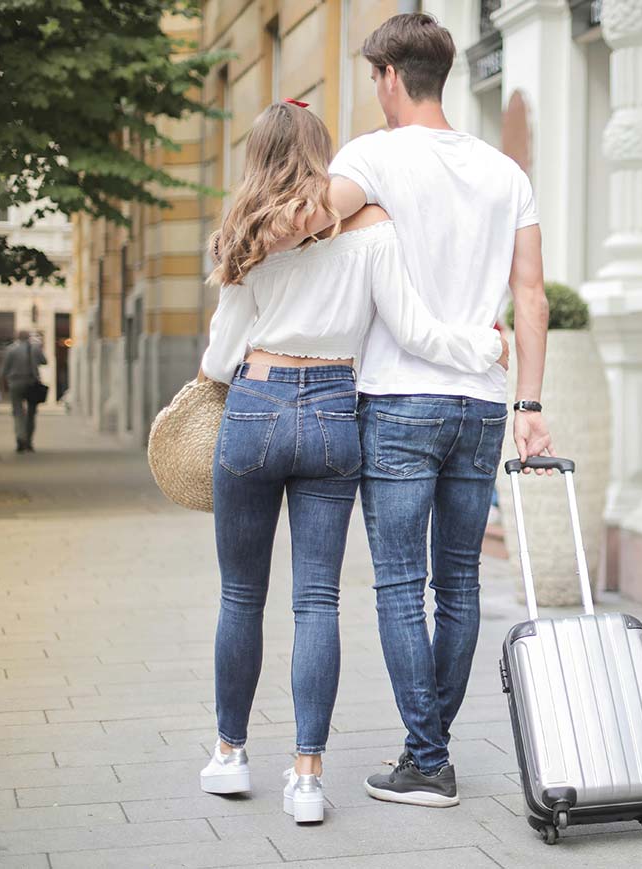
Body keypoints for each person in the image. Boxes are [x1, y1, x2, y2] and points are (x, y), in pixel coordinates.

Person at [195, 100, 508, 825]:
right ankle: (307, 778)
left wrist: (229, 366)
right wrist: (484, 347)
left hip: (256, 402)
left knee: (241, 595)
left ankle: (230, 753)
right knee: (317, 601)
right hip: (337, 413)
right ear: (325, 155)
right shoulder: (371, 229)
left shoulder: (246, 234)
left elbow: (219, 354)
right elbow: (414, 330)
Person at [309, 12, 554, 808]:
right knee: (458, 582)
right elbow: (531, 298)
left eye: (372, 77)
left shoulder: (370, 157)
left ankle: (426, 758)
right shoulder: (504, 172)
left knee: (397, 582)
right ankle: (430, 744)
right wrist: (531, 404)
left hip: (400, 396)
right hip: (482, 401)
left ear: (388, 76)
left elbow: (312, 218)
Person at [0, 332, 46, 452]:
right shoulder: (35, 348)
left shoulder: (10, 350)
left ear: (17, 337)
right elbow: (44, 361)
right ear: (28, 338)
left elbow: (4, 369)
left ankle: (21, 438)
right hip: (32, 383)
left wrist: (4, 383)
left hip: (15, 383)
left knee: (18, 412)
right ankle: (29, 442)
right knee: (31, 413)